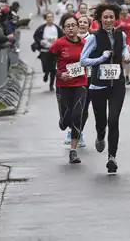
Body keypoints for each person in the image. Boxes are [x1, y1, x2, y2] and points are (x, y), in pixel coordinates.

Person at [80, 3, 130, 174]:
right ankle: (100, 135)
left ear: (116, 19)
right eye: (105, 17)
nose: (109, 20)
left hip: (117, 84)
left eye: (111, 17)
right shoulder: (93, 38)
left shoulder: (121, 35)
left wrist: (126, 54)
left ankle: (112, 157)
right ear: (100, 19)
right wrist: (100, 59)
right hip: (98, 85)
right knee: (101, 121)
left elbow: (124, 47)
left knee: (114, 120)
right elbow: (83, 60)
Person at [50, 14, 88, 164]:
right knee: (66, 120)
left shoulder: (85, 43)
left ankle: (73, 151)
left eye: (73, 25)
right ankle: (63, 121)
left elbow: (91, 60)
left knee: (77, 116)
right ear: (64, 29)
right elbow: (48, 64)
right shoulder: (59, 44)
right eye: (68, 26)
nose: (71, 28)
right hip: (63, 85)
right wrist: (60, 74)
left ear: (78, 27)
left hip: (81, 84)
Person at [65, 13, 92, 146]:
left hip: (87, 77)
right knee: (71, 106)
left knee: (83, 108)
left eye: (84, 22)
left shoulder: (92, 39)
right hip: (72, 76)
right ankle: (71, 130)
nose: (82, 24)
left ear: (88, 25)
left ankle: (78, 131)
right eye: (79, 22)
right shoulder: (70, 38)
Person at [32, 12, 63, 91]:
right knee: (45, 66)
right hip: (44, 51)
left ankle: (51, 85)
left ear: (53, 18)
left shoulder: (57, 28)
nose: (50, 19)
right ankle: (46, 73)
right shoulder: (42, 28)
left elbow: (62, 37)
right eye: (48, 17)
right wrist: (41, 41)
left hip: (54, 51)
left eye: (51, 17)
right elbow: (35, 36)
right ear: (46, 19)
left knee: (53, 68)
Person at [115, 5, 130, 85]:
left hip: (129, 41)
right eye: (123, 10)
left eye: (126, 10)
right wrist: (119, 26)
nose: (125, 12)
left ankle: (127, 77)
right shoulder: (117, 19)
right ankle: (121, 75)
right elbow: (113, 29)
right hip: (120, 41)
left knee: (127, 59)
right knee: (122, 60)